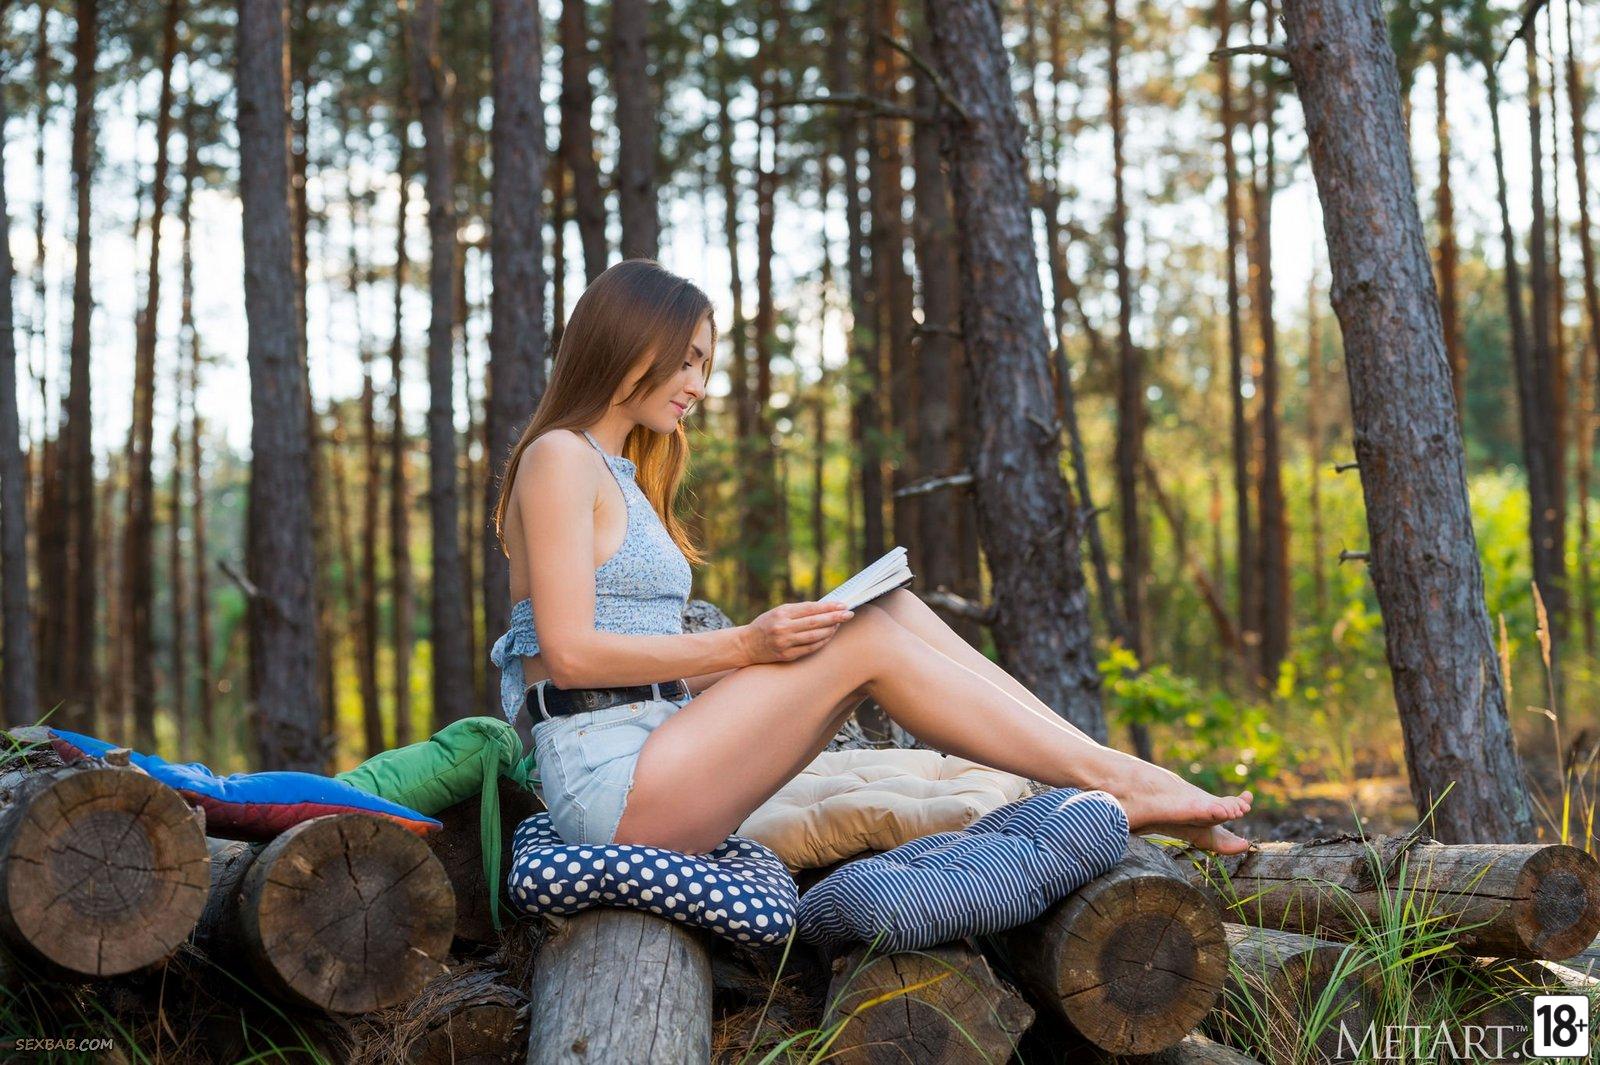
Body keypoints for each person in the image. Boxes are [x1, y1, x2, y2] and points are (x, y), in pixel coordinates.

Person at [491, 258, 1253, 857]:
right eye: (687, 361)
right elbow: (570, 655)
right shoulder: (559, 457)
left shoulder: (616, 468)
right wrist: (750, 644)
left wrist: (772, 648)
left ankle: (1115, 768)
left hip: (661, 745)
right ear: (631, 342)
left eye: (704, 363)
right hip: (611, 784)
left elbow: (648, 664)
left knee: (886, 609)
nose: (699, 384)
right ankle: (1120, 782)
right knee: (866, 637)